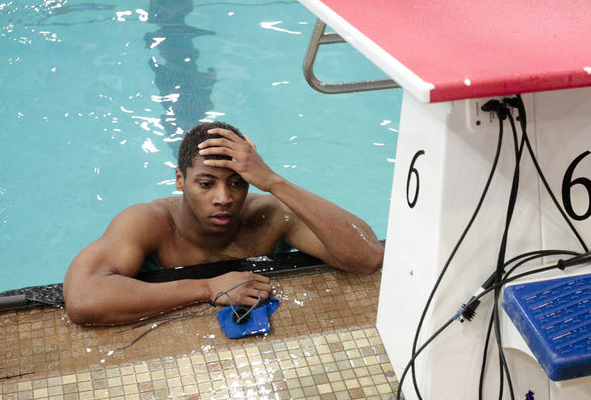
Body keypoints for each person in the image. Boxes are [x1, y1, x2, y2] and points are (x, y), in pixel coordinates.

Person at [63, 121, 384, 326]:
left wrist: (272, 181)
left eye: (237, 182)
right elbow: (84, 300)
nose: (224, 198)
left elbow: (367, 257)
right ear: (180, 180)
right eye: (205, 184)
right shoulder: (151, 223)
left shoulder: (270, 215)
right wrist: (205, 287)